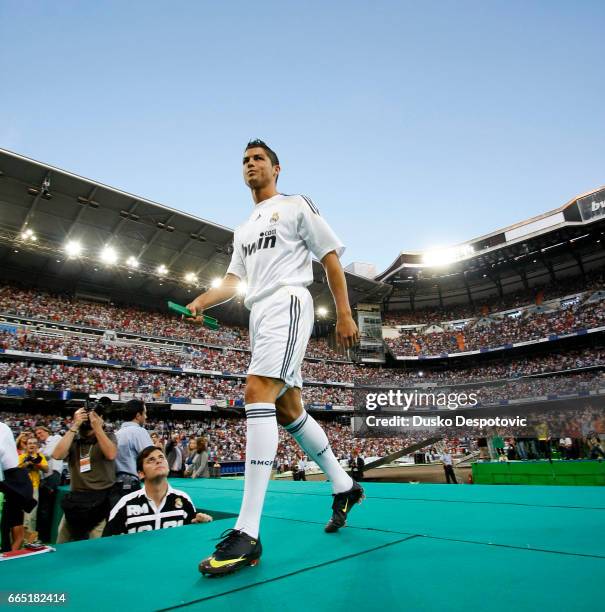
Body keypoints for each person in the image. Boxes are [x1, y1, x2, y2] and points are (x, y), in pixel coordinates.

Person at [187, 139, 364, 576]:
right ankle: (344, 485)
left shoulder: (295, 205)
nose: (251, 164)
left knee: (257, 392)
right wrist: (203, 300)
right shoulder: (243, 228)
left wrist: (344, 312)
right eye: (245, 160)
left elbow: (329, 257)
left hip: (288, 302)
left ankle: (247, 532)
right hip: (259, 312)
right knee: (288, 408)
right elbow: (233, 281)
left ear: (276, 168)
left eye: (258, 159)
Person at [104, 446, 212, 536]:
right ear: (141, 473)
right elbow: (107, 542)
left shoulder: (183, 499)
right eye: (151, 460)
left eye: (161, 457)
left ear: (168, 467)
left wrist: (201, 523)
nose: (158, 461)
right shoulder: (125, 504)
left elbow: (190, 536)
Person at [52, 405, 117, 542]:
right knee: (62, 542)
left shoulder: (108, 436)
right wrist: (74, 426)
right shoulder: (73, 439)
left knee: (96, 544)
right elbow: (57, 455)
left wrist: (98, 427)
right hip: (77, 499)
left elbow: (111, 454)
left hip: (101, 499)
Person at [110, 399, 153, 509]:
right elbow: (151, 458)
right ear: (138, 415)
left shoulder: (116, 433)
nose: (146, 417)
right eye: (145, 413)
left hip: (114, 485)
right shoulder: (139, 431)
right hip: (130, 485)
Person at [34, 425, 63, 543]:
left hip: (53, 476)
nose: (39, 436)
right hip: (44, 478)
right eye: (37, 434)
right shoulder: (42, 446)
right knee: (43, 508)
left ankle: (46, 537)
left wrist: (37, 453)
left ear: (47, 431)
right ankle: (42, 535)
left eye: (40, 433)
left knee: (47, 507)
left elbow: (49, 453)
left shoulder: (55, 438)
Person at [18, 437, 49, 540]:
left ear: (37, 445)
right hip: (21, 489)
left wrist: (36, 463)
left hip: (33, 488)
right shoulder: (21, 456)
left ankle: (30, 540)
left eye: (34, 443)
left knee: (31, 516)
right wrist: (27, 463)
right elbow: (16, 470)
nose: (32, 445)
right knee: (20, 516)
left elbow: (46, 469)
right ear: (26, 445)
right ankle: (19, 539)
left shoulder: (40, 457)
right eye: (30, 443)